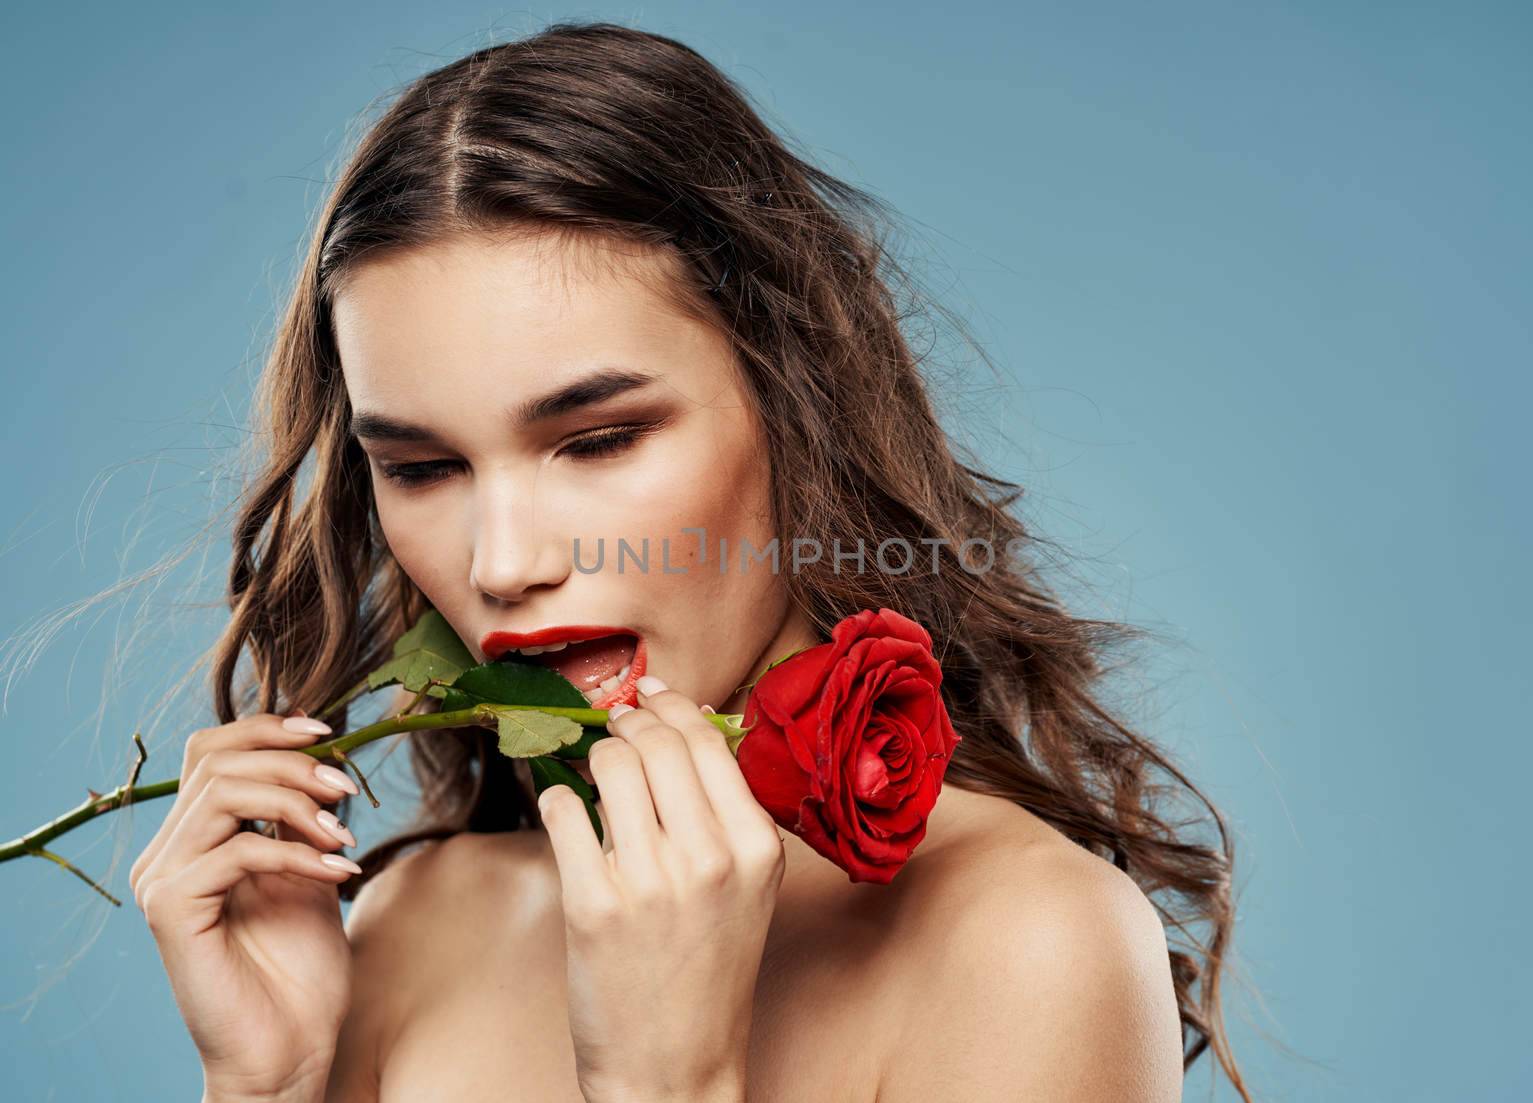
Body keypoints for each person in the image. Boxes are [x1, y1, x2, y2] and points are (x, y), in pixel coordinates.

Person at [127, 21, 1252, 1103]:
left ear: (794, 401)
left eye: (600, 439)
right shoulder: (411, 923)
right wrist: (262, 1085)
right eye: (423, 467)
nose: (505, 563)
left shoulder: (1028, 940)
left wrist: (668, 1082)